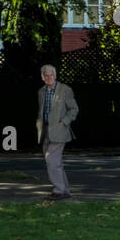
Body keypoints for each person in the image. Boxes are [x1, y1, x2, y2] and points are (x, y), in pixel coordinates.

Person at [35, 65, 78, 200]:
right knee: (55, 162)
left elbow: (74, 109)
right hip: (45, 131)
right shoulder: (41, 91)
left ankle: (58, 190)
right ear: (42, 77)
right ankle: (65, 190)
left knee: (51, 160)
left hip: (59, 131)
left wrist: (64, 122)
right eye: (46, 76)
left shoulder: (65, 90)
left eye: (51, 75)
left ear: (55, 75)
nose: (49, 78)